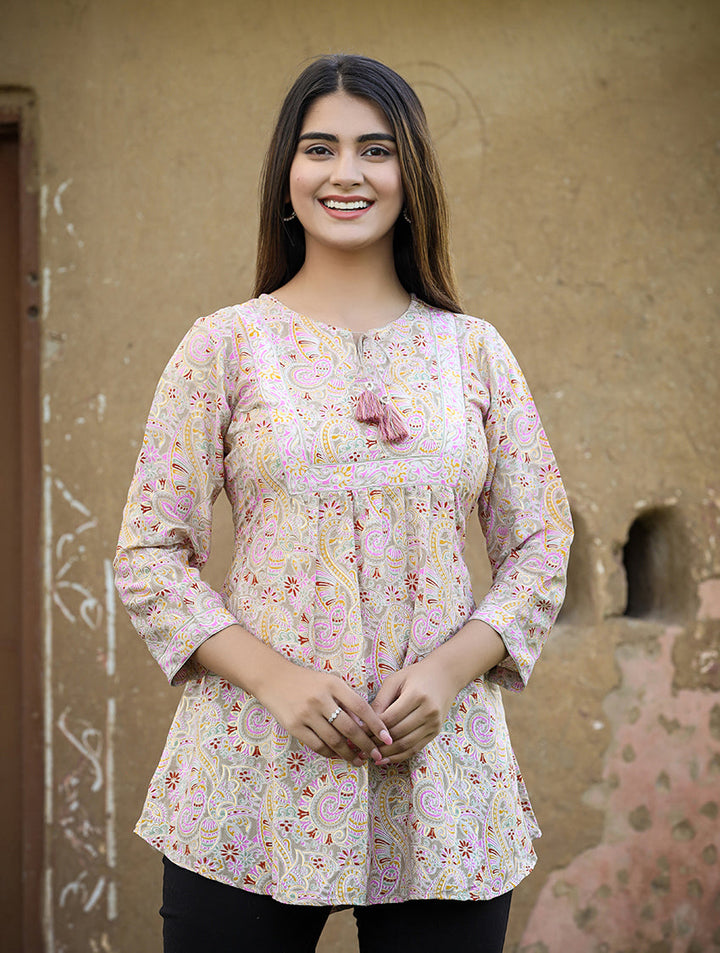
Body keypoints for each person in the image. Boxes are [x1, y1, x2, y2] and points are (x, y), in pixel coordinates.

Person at [114, 53, 573, 953]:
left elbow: (543, 542)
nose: (346, 174)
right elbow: (148, 554)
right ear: (288, 177)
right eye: (319, 149)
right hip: (248, 774)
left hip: (443, 783)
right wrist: (275, 680)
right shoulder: (225, 347)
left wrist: (448, 672)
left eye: (375, 149)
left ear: (411, 175)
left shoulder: (473, 352)